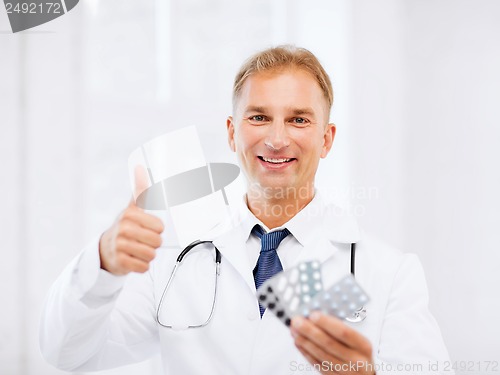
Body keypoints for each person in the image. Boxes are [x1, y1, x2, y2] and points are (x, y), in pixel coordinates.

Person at [40, 45, 452, 374]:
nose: (276, 139)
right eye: (258, 117)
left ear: (326, 140)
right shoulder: (173, 262)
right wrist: (102, 266)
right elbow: (68, 354)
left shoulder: (389, 273)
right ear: (232, 133)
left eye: (298, 120)